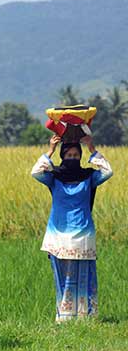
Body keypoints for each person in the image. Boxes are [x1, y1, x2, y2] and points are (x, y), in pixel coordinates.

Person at [31, 134, 113, 322]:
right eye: (69, 155)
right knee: (63, 277)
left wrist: (92, 148)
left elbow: (108, 171)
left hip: (83, 234)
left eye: (76, 155)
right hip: (58, 236)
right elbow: (35, 172)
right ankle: (65, 317)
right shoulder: (54, 178)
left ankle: (86, 317)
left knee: (85, 275)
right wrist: (50, 149)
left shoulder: (89, 177)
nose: (73, 159)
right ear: (62, 156)